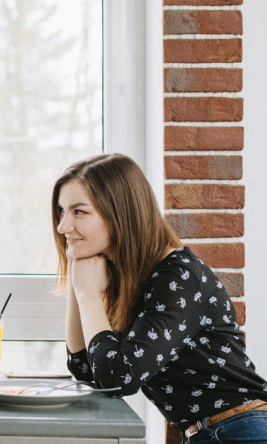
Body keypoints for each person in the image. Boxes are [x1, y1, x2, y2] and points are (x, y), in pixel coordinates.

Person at [53, 153, 267, 443]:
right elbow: (87, 370)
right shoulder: (132, 278)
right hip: (215, 432)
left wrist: (88, 294)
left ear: (121, 213)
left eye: (79, 212)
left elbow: (119, 377)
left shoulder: (178, 277)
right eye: (61, 212)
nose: (63, 226)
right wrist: (79, 281)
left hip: (241, 430)